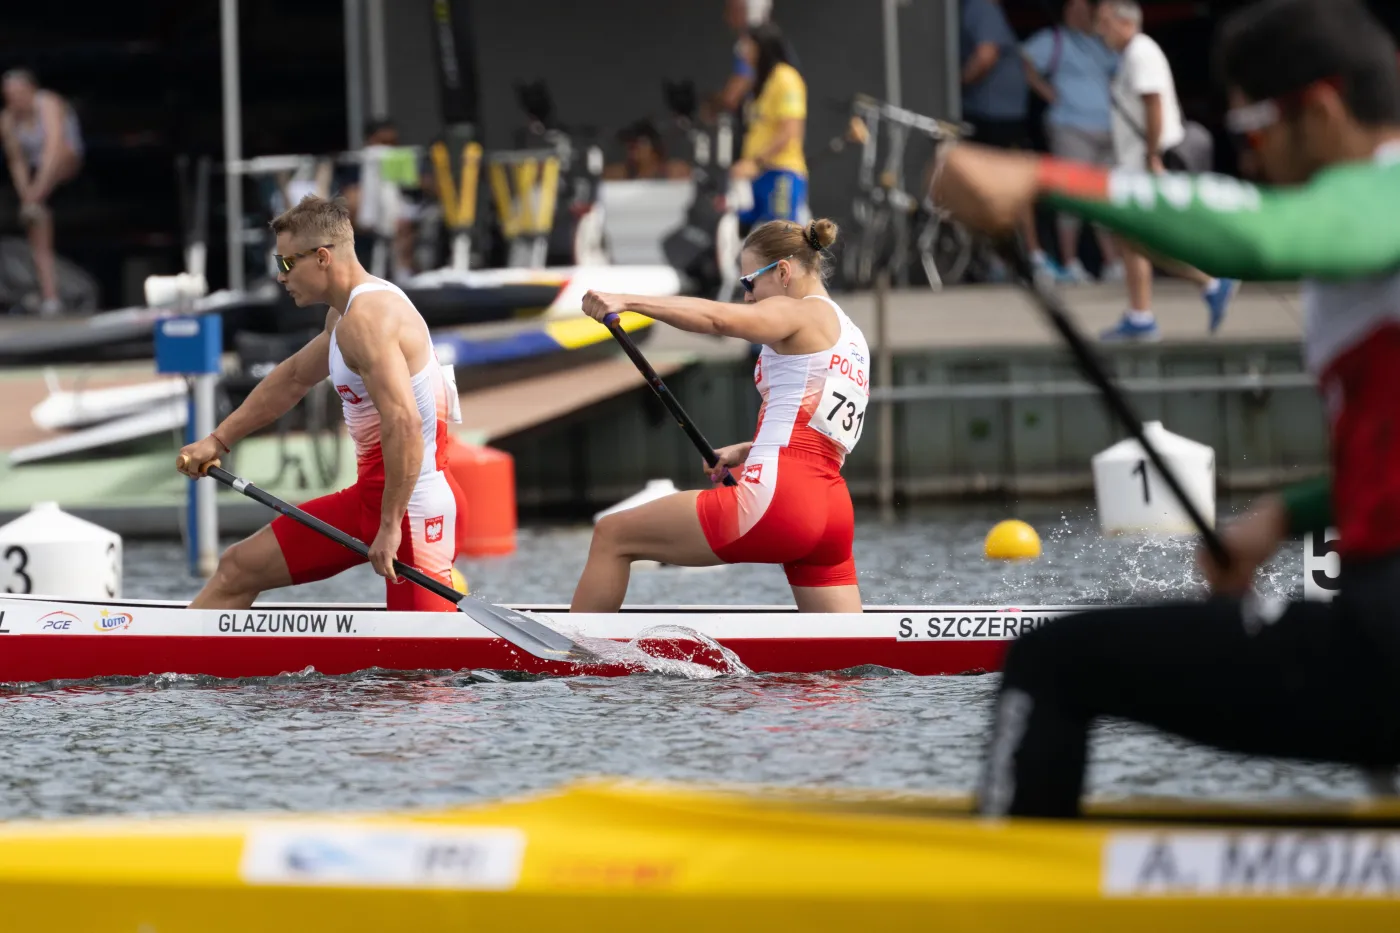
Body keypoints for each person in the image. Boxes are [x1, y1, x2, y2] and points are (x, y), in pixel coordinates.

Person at [928, 0, 1400, 818]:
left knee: (1052, 662)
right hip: (1375, 616)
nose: (1247, 151)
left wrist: (1042, 177)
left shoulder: (1386, 195)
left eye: (1253, 123)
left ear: (1320, 110)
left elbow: (1253, 238)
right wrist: (1283, 515)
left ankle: (1008, 886)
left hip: (1384, 638)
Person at [176, 196, 461, 612]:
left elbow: (403, 423)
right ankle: (177, 669)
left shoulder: (367, 320)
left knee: (423, 677)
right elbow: (292, 378)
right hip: (369, 500)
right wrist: (219, 440)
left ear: (323, 257)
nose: (279, 277)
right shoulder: (343, 316)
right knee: (238, 568)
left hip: (411, 509)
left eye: (287, 264)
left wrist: (390, 526)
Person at [572, 218, 866, 614]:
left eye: (749, 283)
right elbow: (818, 431)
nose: (747, 297)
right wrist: (749, 450)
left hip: (780, 501)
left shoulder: (799, 312)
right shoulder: (851, 336)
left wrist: (628, 302)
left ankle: (573, 667)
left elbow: (716, 320)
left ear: (782, 272)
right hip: (831, 511)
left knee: (612, 535)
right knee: (842, 660)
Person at [1095, 0, 1238, 340]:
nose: (1100, 31)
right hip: (1136, 161)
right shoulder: (1133, 54)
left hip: (1145, 161)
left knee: (1139, 236)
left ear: (1122, 22)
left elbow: (1153, 103)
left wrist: (1152, 155)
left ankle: (1207, 285)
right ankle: (1143, 314)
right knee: (1131, 237)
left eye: (1103, 23)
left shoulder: (1140, 53)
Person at [1021, 0, 1123, 283]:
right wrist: (1046, 92)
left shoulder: (1104, 41)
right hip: (1071, 127)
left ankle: (1112, 262)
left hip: (1108, 128)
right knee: (1070, 195)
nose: (1082, 13)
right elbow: (1024, 60)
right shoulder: (1053, 39)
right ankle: (1070, 262)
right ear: (1067, 11)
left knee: (1105, 196)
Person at [961, 0, 1047, 279]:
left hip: (998, 116)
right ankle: (1015, 257)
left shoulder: (983, 8)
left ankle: (1025, 257)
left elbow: (991, 55)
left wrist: (956, 82)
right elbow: (988, 54)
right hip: (995, 115)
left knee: (1011, 184)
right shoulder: (982, 8)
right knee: (1004, 185)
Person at [0, 69, 83, 316]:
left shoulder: (48, 103)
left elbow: (54, 148)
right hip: (36, 175)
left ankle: (37, 203)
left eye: (19, 93)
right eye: (9, 95)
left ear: (31, 90)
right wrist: (26, 194)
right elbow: (17, 163)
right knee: (38, 229)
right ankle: (50, 296)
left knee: (61, 155)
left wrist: (37, 192)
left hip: (63, 162)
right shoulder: (6, 119)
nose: (16, 100)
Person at [731, 23, 809, 233]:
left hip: (780, 173)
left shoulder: (786, 78)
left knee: (781, 239)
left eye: (747, 46)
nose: (743, 52)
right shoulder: (759, 82)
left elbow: (789, 131)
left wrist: (756, 161)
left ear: (761, 47)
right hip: (756, 175)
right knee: (753, 241)